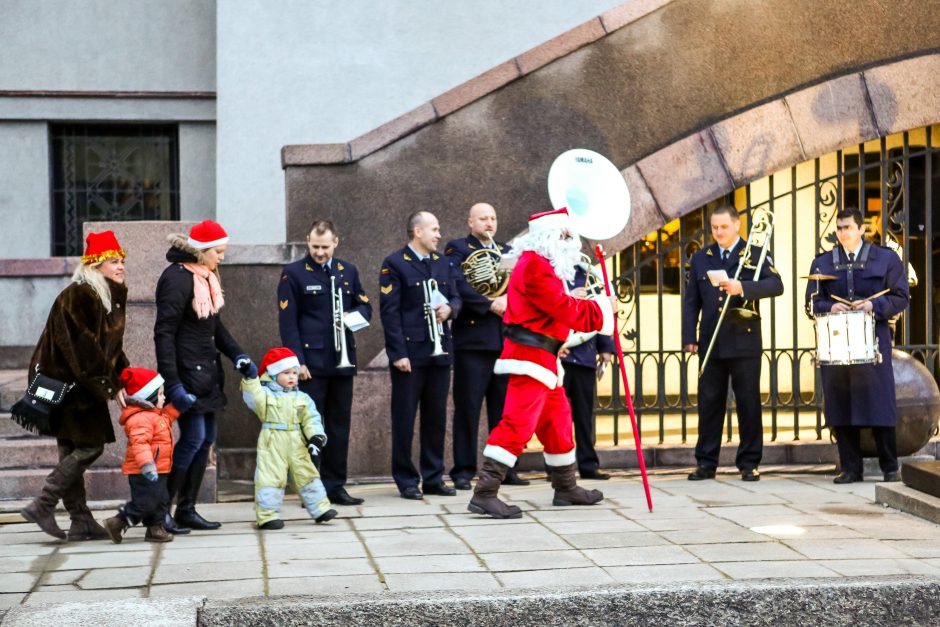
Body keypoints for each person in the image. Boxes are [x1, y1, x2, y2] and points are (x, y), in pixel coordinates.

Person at [469, 208, 615, 519]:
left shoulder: (543, 264)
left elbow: (552, 313)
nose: (570, 241)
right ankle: (484, 492)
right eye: (564, 235)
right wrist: (602, 308)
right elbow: (562, 307)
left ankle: (565, 487)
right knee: (517, 424)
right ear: (548, 237)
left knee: (558, 423)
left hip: (544, 357)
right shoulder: (535, 266)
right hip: (529, 359)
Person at [18, 231, 130, 540]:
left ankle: (80, 520)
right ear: (96, 265)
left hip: (77, 382)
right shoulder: (81, 294)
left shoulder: (106, 294)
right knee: (90, 445)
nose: (120, 266)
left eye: (122, 261)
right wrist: (108, 386)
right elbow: (85, 349)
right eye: (113, 261)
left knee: (71, 448)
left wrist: (124, 376)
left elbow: (111, 348)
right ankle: (44, 502)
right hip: (70, 385)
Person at [154, 220, 258, 533]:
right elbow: (164, 332)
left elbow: (215, 326)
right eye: (218, 251)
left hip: (206, 373)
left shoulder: (205, 277)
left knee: (206, 440)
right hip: (186, 375)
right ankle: (161, 512)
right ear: (200, 251)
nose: (222, 257)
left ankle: (186, 509)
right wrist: (172, 382)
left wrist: (238, 355)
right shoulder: (177, 279)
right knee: (194, 439)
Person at [805, 207, 910, 484]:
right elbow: (811, 304)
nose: (843, 233)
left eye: (848, 228)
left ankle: (890, 467)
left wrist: (873, 305)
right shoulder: (822, 263)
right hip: (837, 341)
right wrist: (831, 306)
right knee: (841, 404)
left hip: (874, 338)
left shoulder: (886, 259)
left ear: (861, 229)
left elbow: (901, 297)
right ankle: (850, 468)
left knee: (879, 403)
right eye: (839, 228)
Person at [682, 205, 783, 482]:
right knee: (709, 402)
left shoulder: (754, 253)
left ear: (737, 226)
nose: (718, 232)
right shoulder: (703, 257)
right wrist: (689, 337)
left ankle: (749, 463)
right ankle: (706, 462)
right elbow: (692, 301)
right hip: (711, 340)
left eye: (724, 227)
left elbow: (776, 285)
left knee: (748, 402)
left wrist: (744, 288)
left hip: (744, 339)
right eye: (714, 227)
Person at [278, 220, 372, 506]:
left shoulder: (348, 271)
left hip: (342, 360)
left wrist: (350, 318)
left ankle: (335, 485)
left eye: (324, 247)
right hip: (311, 364)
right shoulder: (293, 273)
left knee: (339, 424)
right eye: (314, 246)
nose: (319, 252)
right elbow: (288, 322)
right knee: (311, 427)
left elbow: (365, 306)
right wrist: (297, 362)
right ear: (308, 241)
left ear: (336, 242)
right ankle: (310, 487)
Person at [445, 202, 528, 490]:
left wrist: (509, 303)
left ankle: (505, 469)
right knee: (468, 409)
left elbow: (519, 285)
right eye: (483, 218)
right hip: (472, 342)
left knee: (504, 412)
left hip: (504, 341)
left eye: (493, 218)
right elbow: (459, 284)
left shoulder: (507, 252)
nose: (489, 223)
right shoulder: (458, 249)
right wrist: (489, 303)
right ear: (470, 222)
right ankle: (463, 471)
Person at [380, 211, 462, 500]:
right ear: (417, 232)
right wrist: (398, 354)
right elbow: (390, 314)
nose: (439, 235)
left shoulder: (442, 263)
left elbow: (456, 296)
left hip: (439, 352)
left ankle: (433, 477)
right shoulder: (394, 264)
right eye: (434, 229)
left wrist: (450, 309)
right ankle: (405, 479)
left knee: (436, 418)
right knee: (404, 419)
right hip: (411, 354)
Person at [240, 347, 337, 528]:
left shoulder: (302, 397)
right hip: (272, 440)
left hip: (296, 440)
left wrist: (316, 438)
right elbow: (253, 397)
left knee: (307, 473)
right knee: (270, 477)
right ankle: (267, 516)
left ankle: (320, 508)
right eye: (286, 373)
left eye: (294, 372)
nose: (292, 377)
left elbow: (311, 419)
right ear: (273, 374)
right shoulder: (265, 395)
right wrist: (250, 377)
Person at [104, 367, 188, 544]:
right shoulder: (140, 419)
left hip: (160, 468)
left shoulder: (154, 415)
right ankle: (118, 523)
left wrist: (181, 405)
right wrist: (147, 465)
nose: (164, 398)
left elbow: (168, 417)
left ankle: (155, 529)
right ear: (148, 397)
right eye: (160, 395)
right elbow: (140, 444)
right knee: (144, 503)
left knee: (161, 500)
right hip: (144, 470)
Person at [561, 264, 616, 481]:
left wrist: (605, 348)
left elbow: (601, 312)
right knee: (558, 416)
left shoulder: (588, 275)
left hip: (584, 356)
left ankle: (588, 464)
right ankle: (558, 466)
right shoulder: (552, 273)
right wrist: (569, 297)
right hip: (561, 355)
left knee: (584, 416)